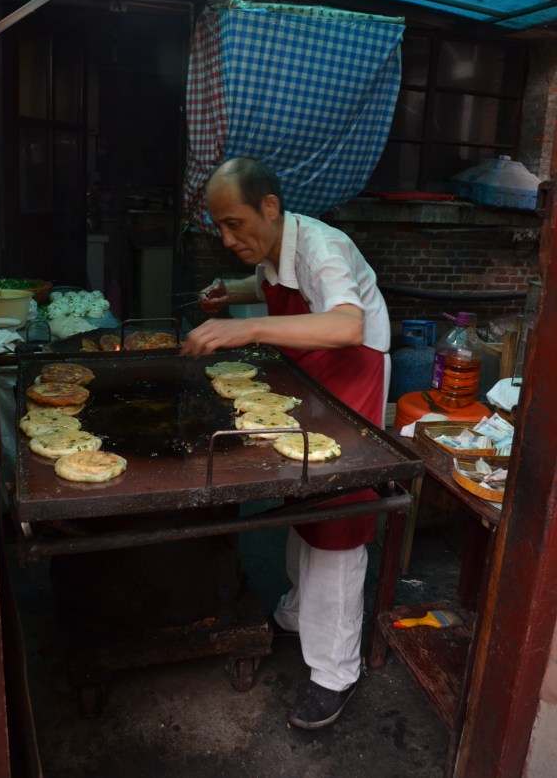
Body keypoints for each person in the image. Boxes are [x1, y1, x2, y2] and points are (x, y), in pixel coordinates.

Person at [180, 157, 391, 730]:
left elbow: (346, 324)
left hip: (353, 373)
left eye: (235, 224)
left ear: (270, 207)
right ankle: (300, 613)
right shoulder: (277, 247)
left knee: (338, 512)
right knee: (302, 492)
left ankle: (336, 671)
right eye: (220, 227)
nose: (228, 239)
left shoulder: (323, 248)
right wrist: (231, 293)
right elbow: (271, 283)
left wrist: (246, 327)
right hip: (313, 373)